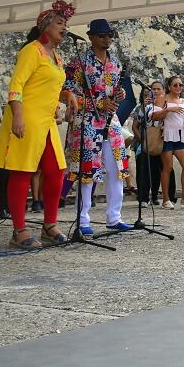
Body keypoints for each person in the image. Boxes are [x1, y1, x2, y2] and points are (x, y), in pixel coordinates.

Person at [0, 0, 80, 248]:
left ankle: (49, 225)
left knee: (55, 171)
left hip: (46, 122)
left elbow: (46, 85)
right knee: (22, 172)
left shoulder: (56, 58)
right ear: (45, 27)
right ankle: (18, 231)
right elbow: (17, 86)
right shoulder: (32, 50)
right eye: (60, 23)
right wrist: (17, 116)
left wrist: (67, 95)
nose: (65, 28)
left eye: (66, 24)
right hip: (27, 118)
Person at [63, 19, 132, 234]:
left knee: (116, 169)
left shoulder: (117, 64)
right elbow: (68, 93)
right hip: (86, 122)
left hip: (111, 124)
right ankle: (82, 220)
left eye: (109, 35)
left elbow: (118, 93)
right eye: (102, 35)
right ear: (91, 37)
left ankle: (114, 217)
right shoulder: (79, 63)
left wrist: (119, 95)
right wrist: (98, 103)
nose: (107, 39)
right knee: (86, 171)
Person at [151, 76, 184, 209]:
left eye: (180, 85)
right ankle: (166, 199)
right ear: (169, 87)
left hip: (179, 135)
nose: (178, 87)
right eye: (175, 85)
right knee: (167, 167)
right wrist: (168, 110)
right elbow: (154, 116)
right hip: (165, 135)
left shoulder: (183, 100)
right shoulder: (163, 98)